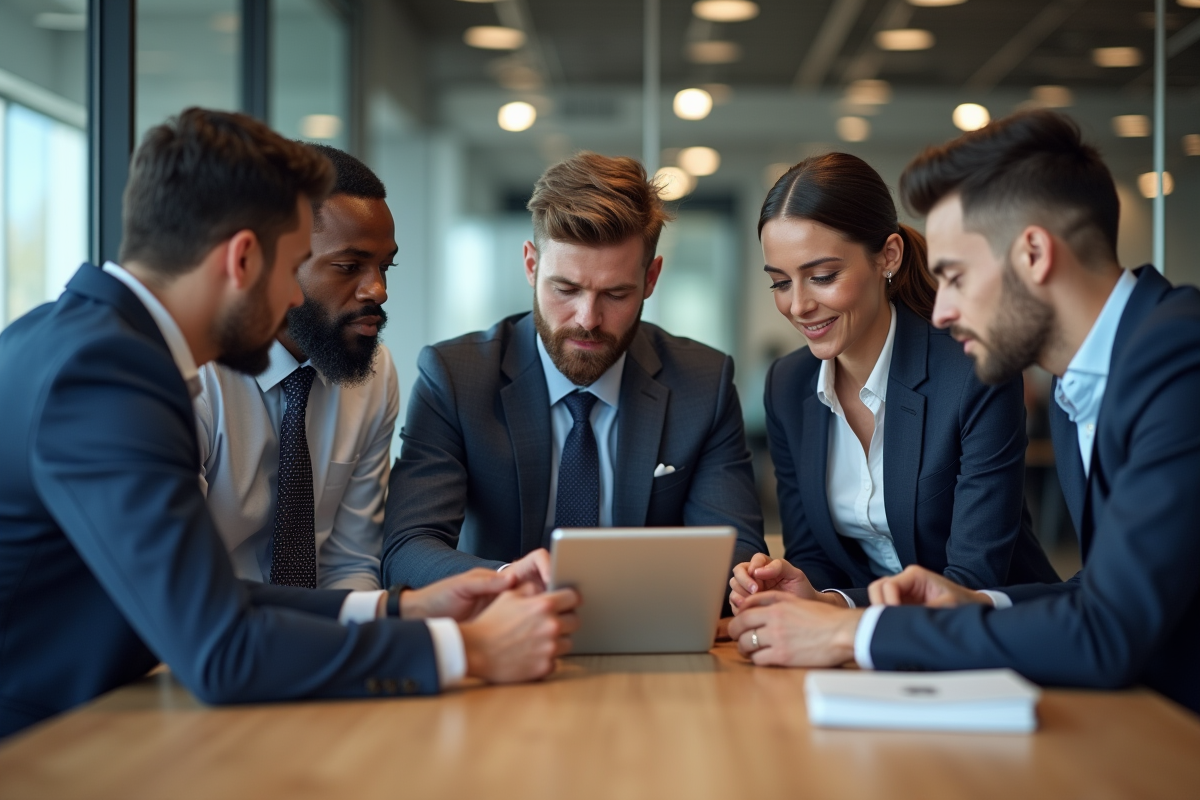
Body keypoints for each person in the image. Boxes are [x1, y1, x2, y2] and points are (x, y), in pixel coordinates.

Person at [0, 108, 579, 739]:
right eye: (294, 264)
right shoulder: (108, 376)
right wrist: (468, 650)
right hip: (40, 746)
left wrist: (403, 609)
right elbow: (221, 648)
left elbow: (205, 596)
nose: (294, 298)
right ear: (242, 259)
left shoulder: (76, 341)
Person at [727, 110, 1200, 714]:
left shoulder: (1177, 358)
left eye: (955, 276)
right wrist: (972, 604)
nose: (942, 310)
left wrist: (854, 632)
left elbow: (1107, 631)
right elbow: (1096, 594)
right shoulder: (1080, 381)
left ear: (1033, 253)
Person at [381, 152, 766, 592]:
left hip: (645, 626)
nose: (588, 319)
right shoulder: (455, 378)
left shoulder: (702, 383)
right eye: (565, 289)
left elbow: (738, 551)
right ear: (531, 266)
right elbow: (408, 549)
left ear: (651, 278)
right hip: (502, 623)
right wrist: (508, 584)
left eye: (616, 294)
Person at [729, 153, 1056, 612]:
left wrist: (842, 607)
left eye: (822, 277)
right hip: (865, 639)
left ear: (889, 256)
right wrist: (799, 588)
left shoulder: (974, 373)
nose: (798, 305)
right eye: (780, 283)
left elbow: (970, 580)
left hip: (994, 634)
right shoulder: (788, 385)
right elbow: (815, 556)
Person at [196, 145, 399, 590]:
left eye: (385, 266)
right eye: (349, 266)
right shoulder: (197, 371)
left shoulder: (375, 372)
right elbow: (181, 582)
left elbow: (350, 564)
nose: (378, 290)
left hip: (313, 623)